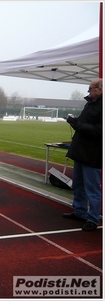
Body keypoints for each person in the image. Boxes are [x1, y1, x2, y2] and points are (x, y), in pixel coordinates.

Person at [63, 78, 102, 231]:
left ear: (100, 89)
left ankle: (93, 218)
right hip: (80, 150)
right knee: (78, 184)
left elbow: (99, 131)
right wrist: (77, 121)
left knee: (92, 189)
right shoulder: (90, 103)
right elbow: (88, 124)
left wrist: (77, 124)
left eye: (91, 89)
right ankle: (79, 210)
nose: (89, 91)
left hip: (92, 153)